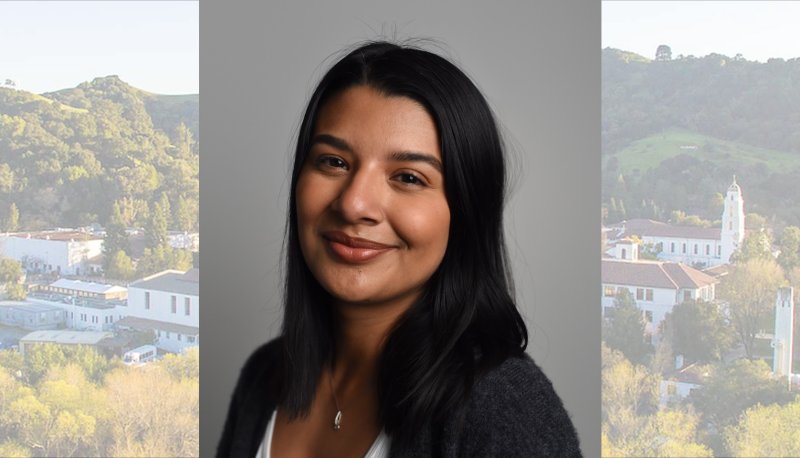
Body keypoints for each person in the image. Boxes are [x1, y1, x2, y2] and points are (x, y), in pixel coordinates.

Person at [217, 41, 581, 457]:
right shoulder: (264, 376)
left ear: (465, 213)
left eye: (408, 177)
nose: (354, 204)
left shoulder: (505, 411)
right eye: (334, 162)